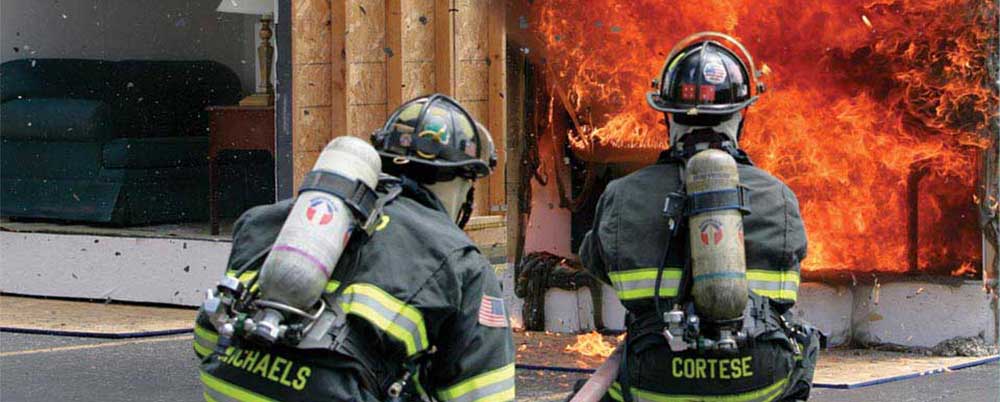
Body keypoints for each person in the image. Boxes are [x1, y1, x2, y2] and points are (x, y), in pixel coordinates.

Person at [193, 94, 515, 402]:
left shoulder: (267, 221)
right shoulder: (459, 261)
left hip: (227, 388)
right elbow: (483, 394)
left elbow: (209, 339)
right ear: (465, 183)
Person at [578, 32, 821, 402]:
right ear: (741, 115)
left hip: (656, 379)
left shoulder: (621, 196)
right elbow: (785, 294)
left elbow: (596, 262)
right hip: (757, 382)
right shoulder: (778, 196)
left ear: (667, 116)